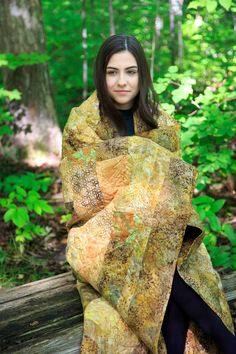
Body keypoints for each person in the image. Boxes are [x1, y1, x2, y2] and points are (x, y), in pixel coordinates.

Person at [59, 34, 236, 354]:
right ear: (101, 74)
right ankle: (226, 340)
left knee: (162, 255)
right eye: (112, 72)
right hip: (101, 235)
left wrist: (142, 174)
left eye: (131, 71)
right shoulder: (81, 123)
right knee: (151, 241)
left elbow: (176, 193)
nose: (122, 81)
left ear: (143, 74)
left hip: (161, 227)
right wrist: (140, 157)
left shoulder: (160, 122)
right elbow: (81, 197)